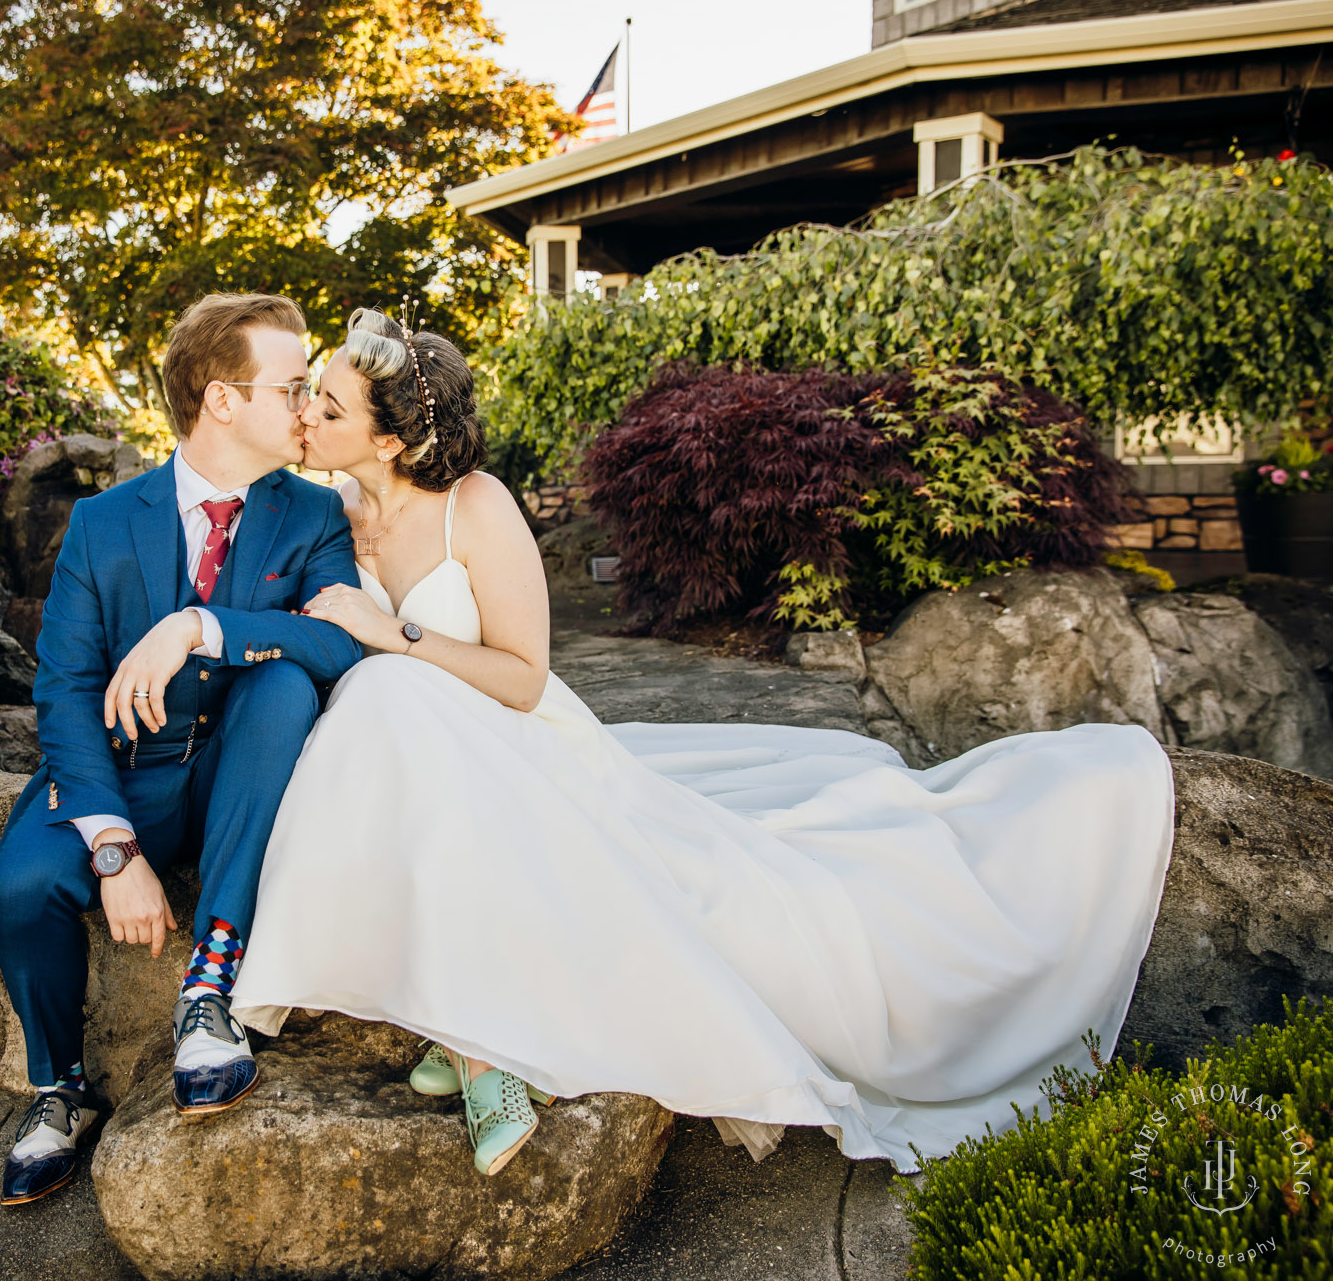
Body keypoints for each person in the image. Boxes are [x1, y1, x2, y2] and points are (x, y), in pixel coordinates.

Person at [229, 308, 1175, 1178]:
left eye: (328, 401)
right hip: (429, 758)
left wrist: (394, 632)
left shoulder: (475, 505)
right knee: (383, 701)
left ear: (389, 438)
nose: (306, 410)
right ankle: (467, 1034)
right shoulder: (330, 520)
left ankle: (484, 1048)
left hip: (525, 747)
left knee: (395, 683)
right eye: (310, 393)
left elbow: (522, 678)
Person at [0, 293, 364, 1205]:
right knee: (23, 885)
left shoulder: (312, 515)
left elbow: (342, 639)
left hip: (246, 766)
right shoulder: (103, 521)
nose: (308, 405)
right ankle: (59, 1089)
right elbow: (65, 688)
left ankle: (212, 987)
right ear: (221, 399)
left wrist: (201, 625)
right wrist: (114, 847)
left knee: (280, 685)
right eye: (293, 386)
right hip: (125, 772)